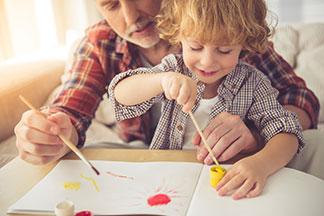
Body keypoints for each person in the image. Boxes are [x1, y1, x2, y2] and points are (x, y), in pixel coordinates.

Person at [14, 0, 318, 169]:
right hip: (155, 163)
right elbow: (72, 109)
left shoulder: (227, 23)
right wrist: (52, 130)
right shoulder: (101, 42)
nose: (131, 16)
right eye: (112, 4)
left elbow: (299, 100)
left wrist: (256, 134)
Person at [108, 0, 304, 199]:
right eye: (195, 47)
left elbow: (288, 133)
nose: (207, 61)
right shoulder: (173, 69)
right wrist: (160, 80)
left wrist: (261, 164)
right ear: (179, 37)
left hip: (226, 184)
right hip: (168, 180)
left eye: (224, 50)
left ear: (244, 42)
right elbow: (120, 94)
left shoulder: (254, 83)